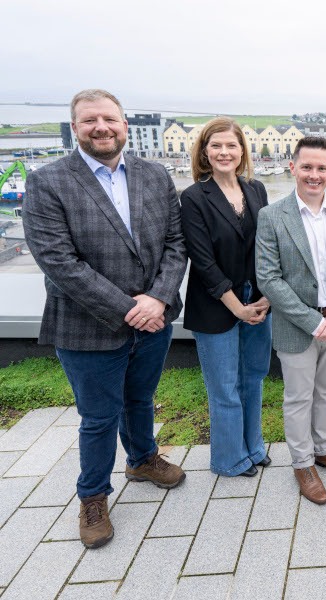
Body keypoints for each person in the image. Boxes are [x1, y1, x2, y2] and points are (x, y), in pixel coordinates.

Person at [22, 89, 187, 549]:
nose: (102, 127)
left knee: (140, 399)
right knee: (97, 417)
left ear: (124, 126)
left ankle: (142, 458)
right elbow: (58, 261)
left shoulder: (154, 175)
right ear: (75, 127)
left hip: (153, 319)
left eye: (110, 119)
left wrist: (157, 299)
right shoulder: (48, 181)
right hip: (86, 326)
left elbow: (176, 244)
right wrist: (132, 309)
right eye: (90, 120)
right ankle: (92, 496)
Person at [255, 136, 326, 504]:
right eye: (307, 167)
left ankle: (325, 449)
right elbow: (269, 278)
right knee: (298, 397)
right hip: (297, 326)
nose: (314, 175)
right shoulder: (272, 216)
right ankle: (303, 463)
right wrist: (312, 321)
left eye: (321, 168)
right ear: (293, 168)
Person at [180, 118, 272, 478]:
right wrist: (238, 307)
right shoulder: (193, 197)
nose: (224, 152)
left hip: (256, 298)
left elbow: (266, 247)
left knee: (253, 378)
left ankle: (253, 447)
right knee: (224, 387)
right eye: (216, 146)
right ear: (204, 151)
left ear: (242, 151)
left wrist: (264, 297)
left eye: (231, 146)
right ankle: (229, 459)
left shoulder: (256, 189)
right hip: (216, 303)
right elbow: (202, 261)